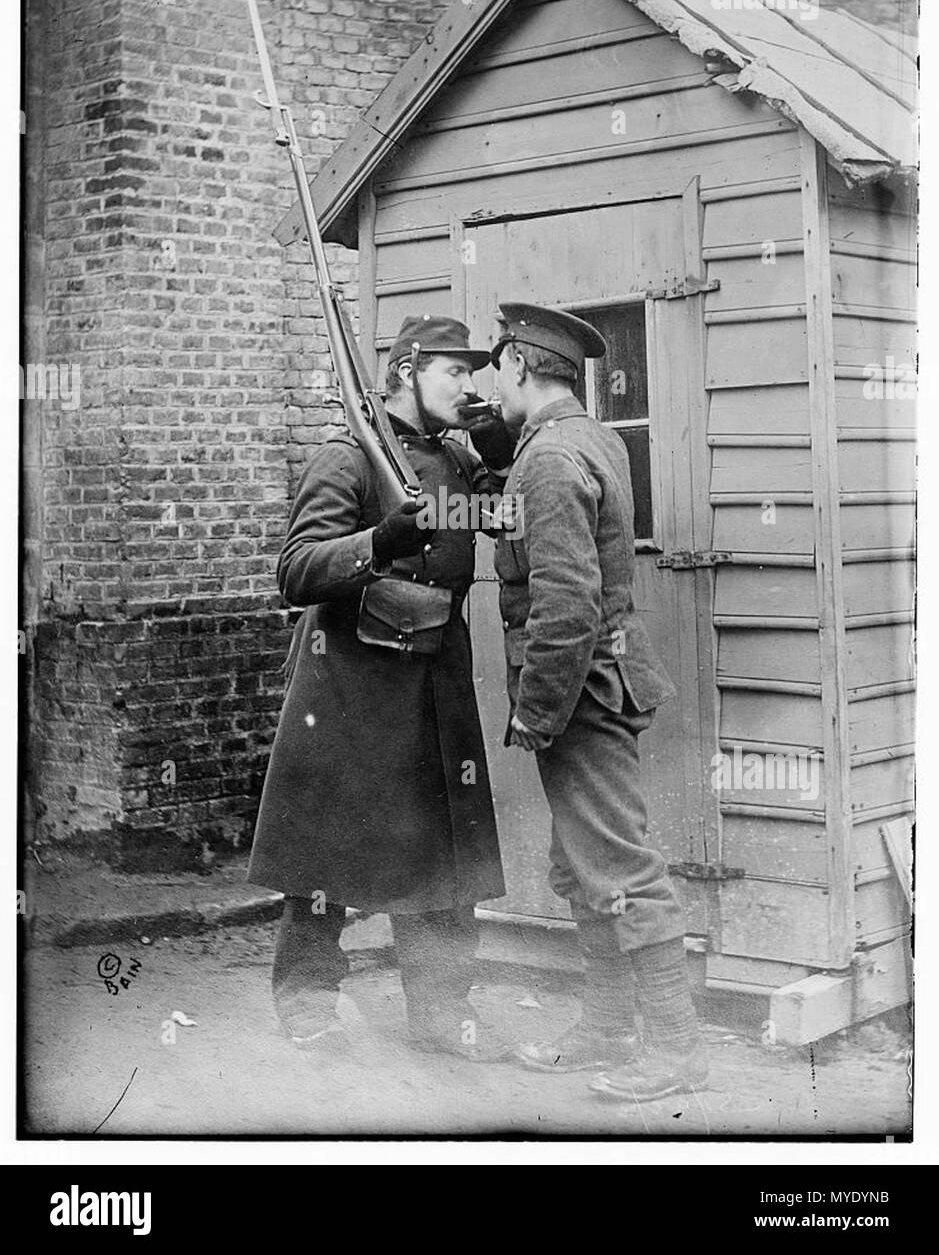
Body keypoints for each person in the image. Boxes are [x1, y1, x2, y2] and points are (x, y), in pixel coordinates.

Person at [248, 314, 517, 1061]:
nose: (469, 386)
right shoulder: (348, 459)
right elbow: (295, 572)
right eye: (454, 372)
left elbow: (507, 516)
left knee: (444, 852)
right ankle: (307, 1002)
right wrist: (379, 541)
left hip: (434, 671)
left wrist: (499, 452)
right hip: (352, 681)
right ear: (406, 372)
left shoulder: (455, 463)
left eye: (473, 373)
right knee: (326, 847)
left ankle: (440, 1012)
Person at [490, 301, 708, 1101]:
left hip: (579, 689)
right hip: (604, 679)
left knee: (618, 864)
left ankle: (676, 1049)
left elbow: (567, 603)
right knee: (580, 863)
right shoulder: (593, 437)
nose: (490, 381)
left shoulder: (547, 461)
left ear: (517, 364)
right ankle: (607, 1029)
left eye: (497, 366)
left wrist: (534, 710)